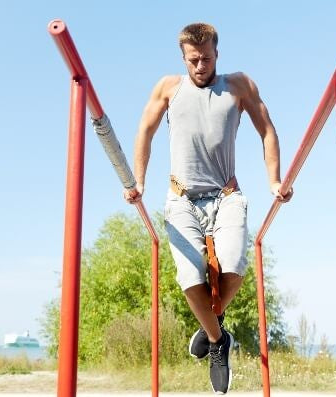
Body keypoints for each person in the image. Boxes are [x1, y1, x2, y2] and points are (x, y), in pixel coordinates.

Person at [123, 22, 293, 394]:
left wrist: (274, 181)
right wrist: (139, 182)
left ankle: (208, 327)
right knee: (190, 279)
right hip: (181, 198)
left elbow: (267, 130)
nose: (200, 66)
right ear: (183, 57)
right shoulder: (168, 88)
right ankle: (219, 342)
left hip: (226, 195)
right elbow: (144, 133)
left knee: (234, 269)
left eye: (207, 58)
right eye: (193, 59)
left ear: (218, 54)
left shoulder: (239, 85)